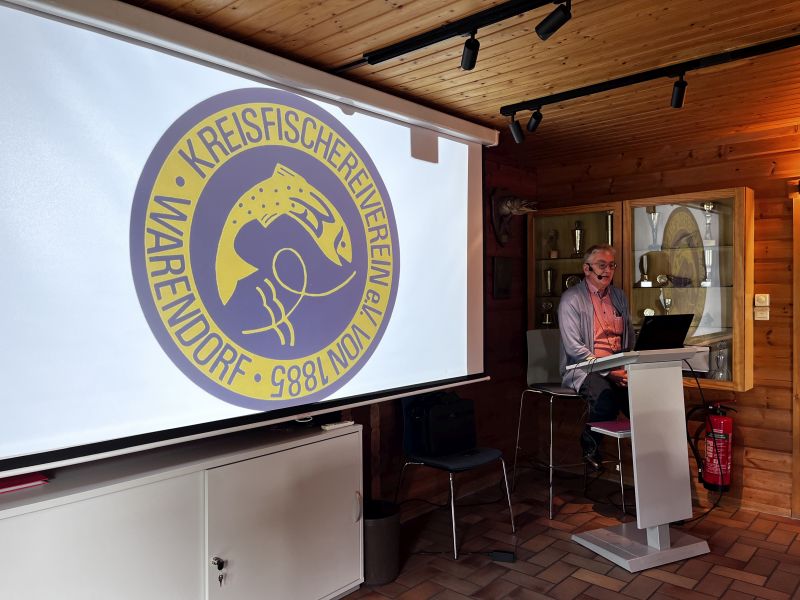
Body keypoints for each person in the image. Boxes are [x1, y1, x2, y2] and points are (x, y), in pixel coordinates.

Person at [557, 244, 635, 471]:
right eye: (602, 265)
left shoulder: (619, 296)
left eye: (612, 265)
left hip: (620, 368)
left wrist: (625, 367)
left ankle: (649, 455)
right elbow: (574, 349)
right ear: (587, 269)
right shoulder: (571, 299)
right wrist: (610, 372)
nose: (608, 270)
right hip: (584, 368)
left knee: (642, 400)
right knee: (606, 399)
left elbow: (629, 337)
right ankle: (589, 443)